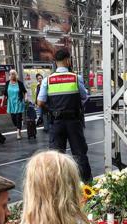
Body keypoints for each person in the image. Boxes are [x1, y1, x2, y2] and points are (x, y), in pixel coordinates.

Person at [37, 49, 92, 182]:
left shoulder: (47, 80)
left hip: (56, 122)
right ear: (68, 60)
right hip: (74, 121)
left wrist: (52, 109)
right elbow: (84, 97)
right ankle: (86, 184)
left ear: (55, 62)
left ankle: (58, 185)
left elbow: (40, 102)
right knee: (79, 153)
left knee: (56, 156)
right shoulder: (75, 78)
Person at [2, 69, 27, 140]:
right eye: (11, 74)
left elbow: (25, 92)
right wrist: (2, 102)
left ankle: (18, 132)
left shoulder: (19, 83)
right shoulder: (7, 83)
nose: (12, 75)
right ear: (9, 75)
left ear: (16, 75)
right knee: (13, 119)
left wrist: (25, 98)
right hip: (11, 103)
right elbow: (4, 94)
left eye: (13, 74)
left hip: (18, 102)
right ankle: (18, 126)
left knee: (18, 117)